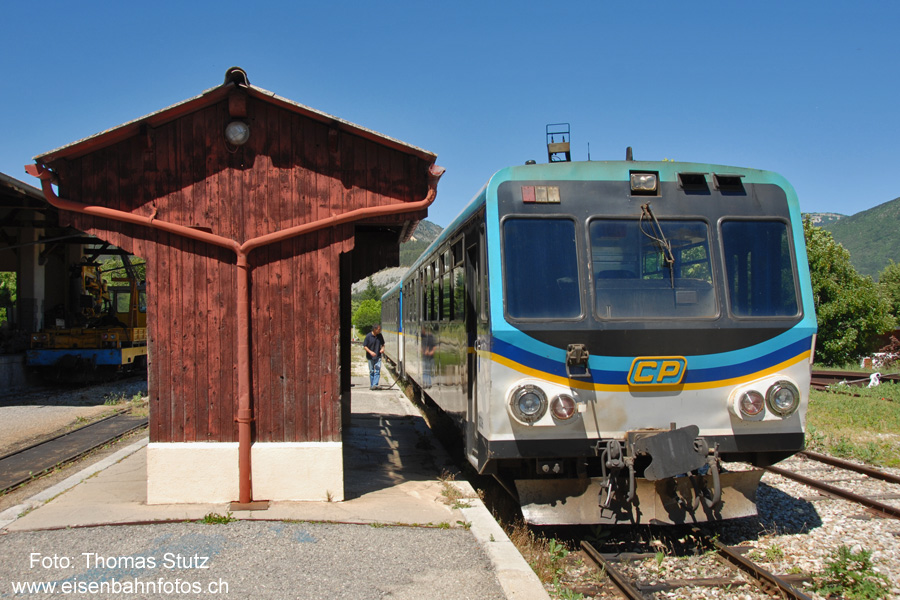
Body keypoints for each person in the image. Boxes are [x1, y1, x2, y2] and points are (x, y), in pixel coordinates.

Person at [364, 324, 385, 390]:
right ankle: (372, 385)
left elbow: (383, 344)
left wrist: (382, 349)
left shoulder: (380, 336)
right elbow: (365, 346)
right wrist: (370, 352)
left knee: (377, 371)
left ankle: (375, 384)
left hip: (378, 356)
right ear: (375, 329)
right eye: (379, 329)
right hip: (370, 357)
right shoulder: (368, 336)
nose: (380, 330)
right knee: (371, 371)